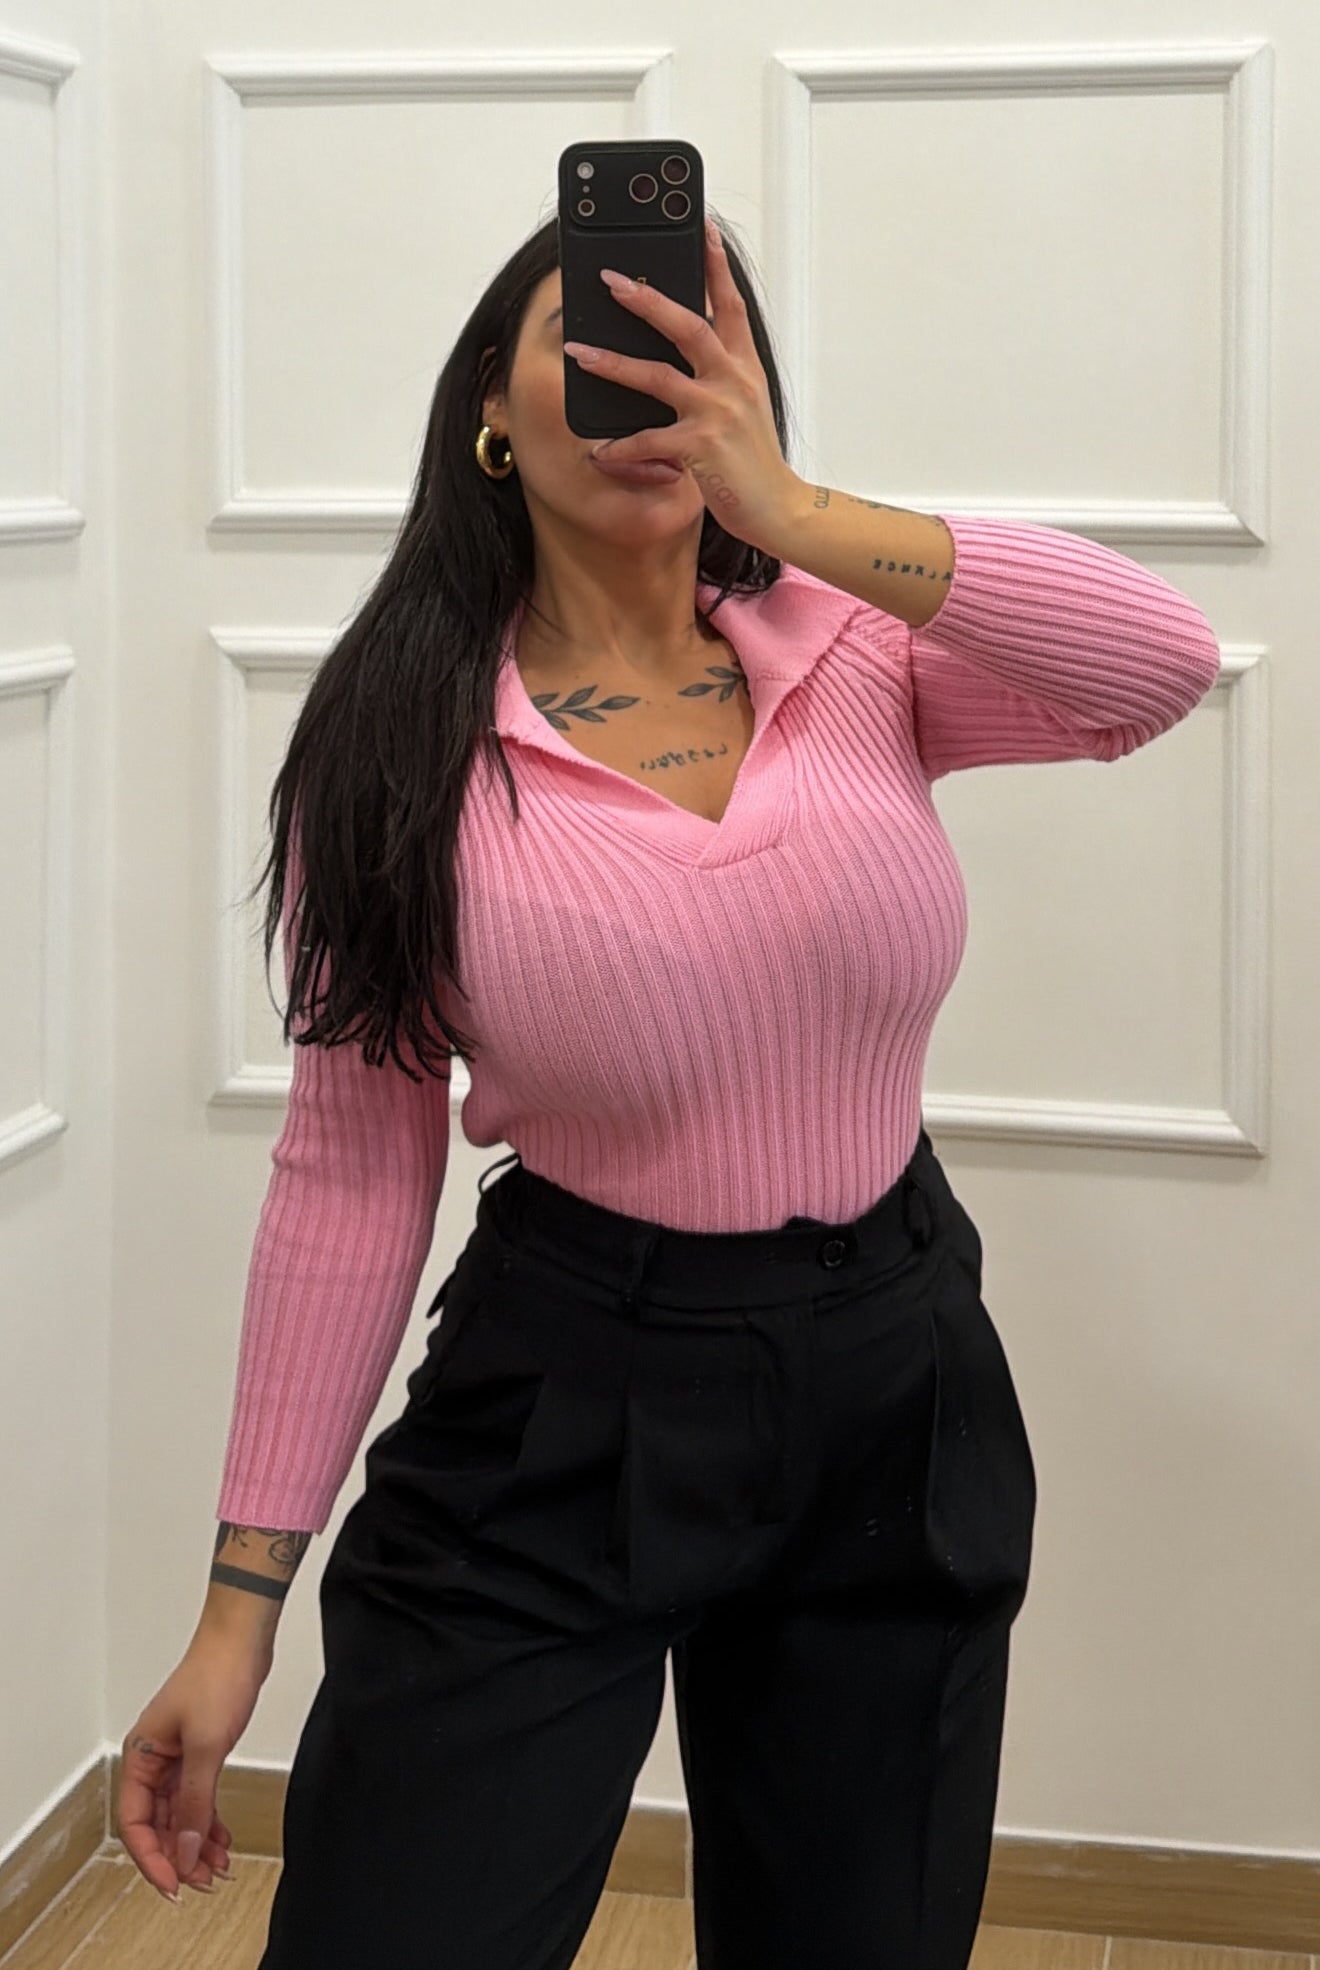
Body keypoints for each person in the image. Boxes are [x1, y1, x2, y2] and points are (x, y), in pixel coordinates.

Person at [114, 204, 1221, 1969]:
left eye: (693, 341)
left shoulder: (860, 652)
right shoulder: (396, 743)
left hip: (895, 1383)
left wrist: (796, 513)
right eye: (593, 340)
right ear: (493, 406)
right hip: (563, 1391)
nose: (646, 383)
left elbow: (1156, 666)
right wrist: (240, 1609)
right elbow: (350, 1172)